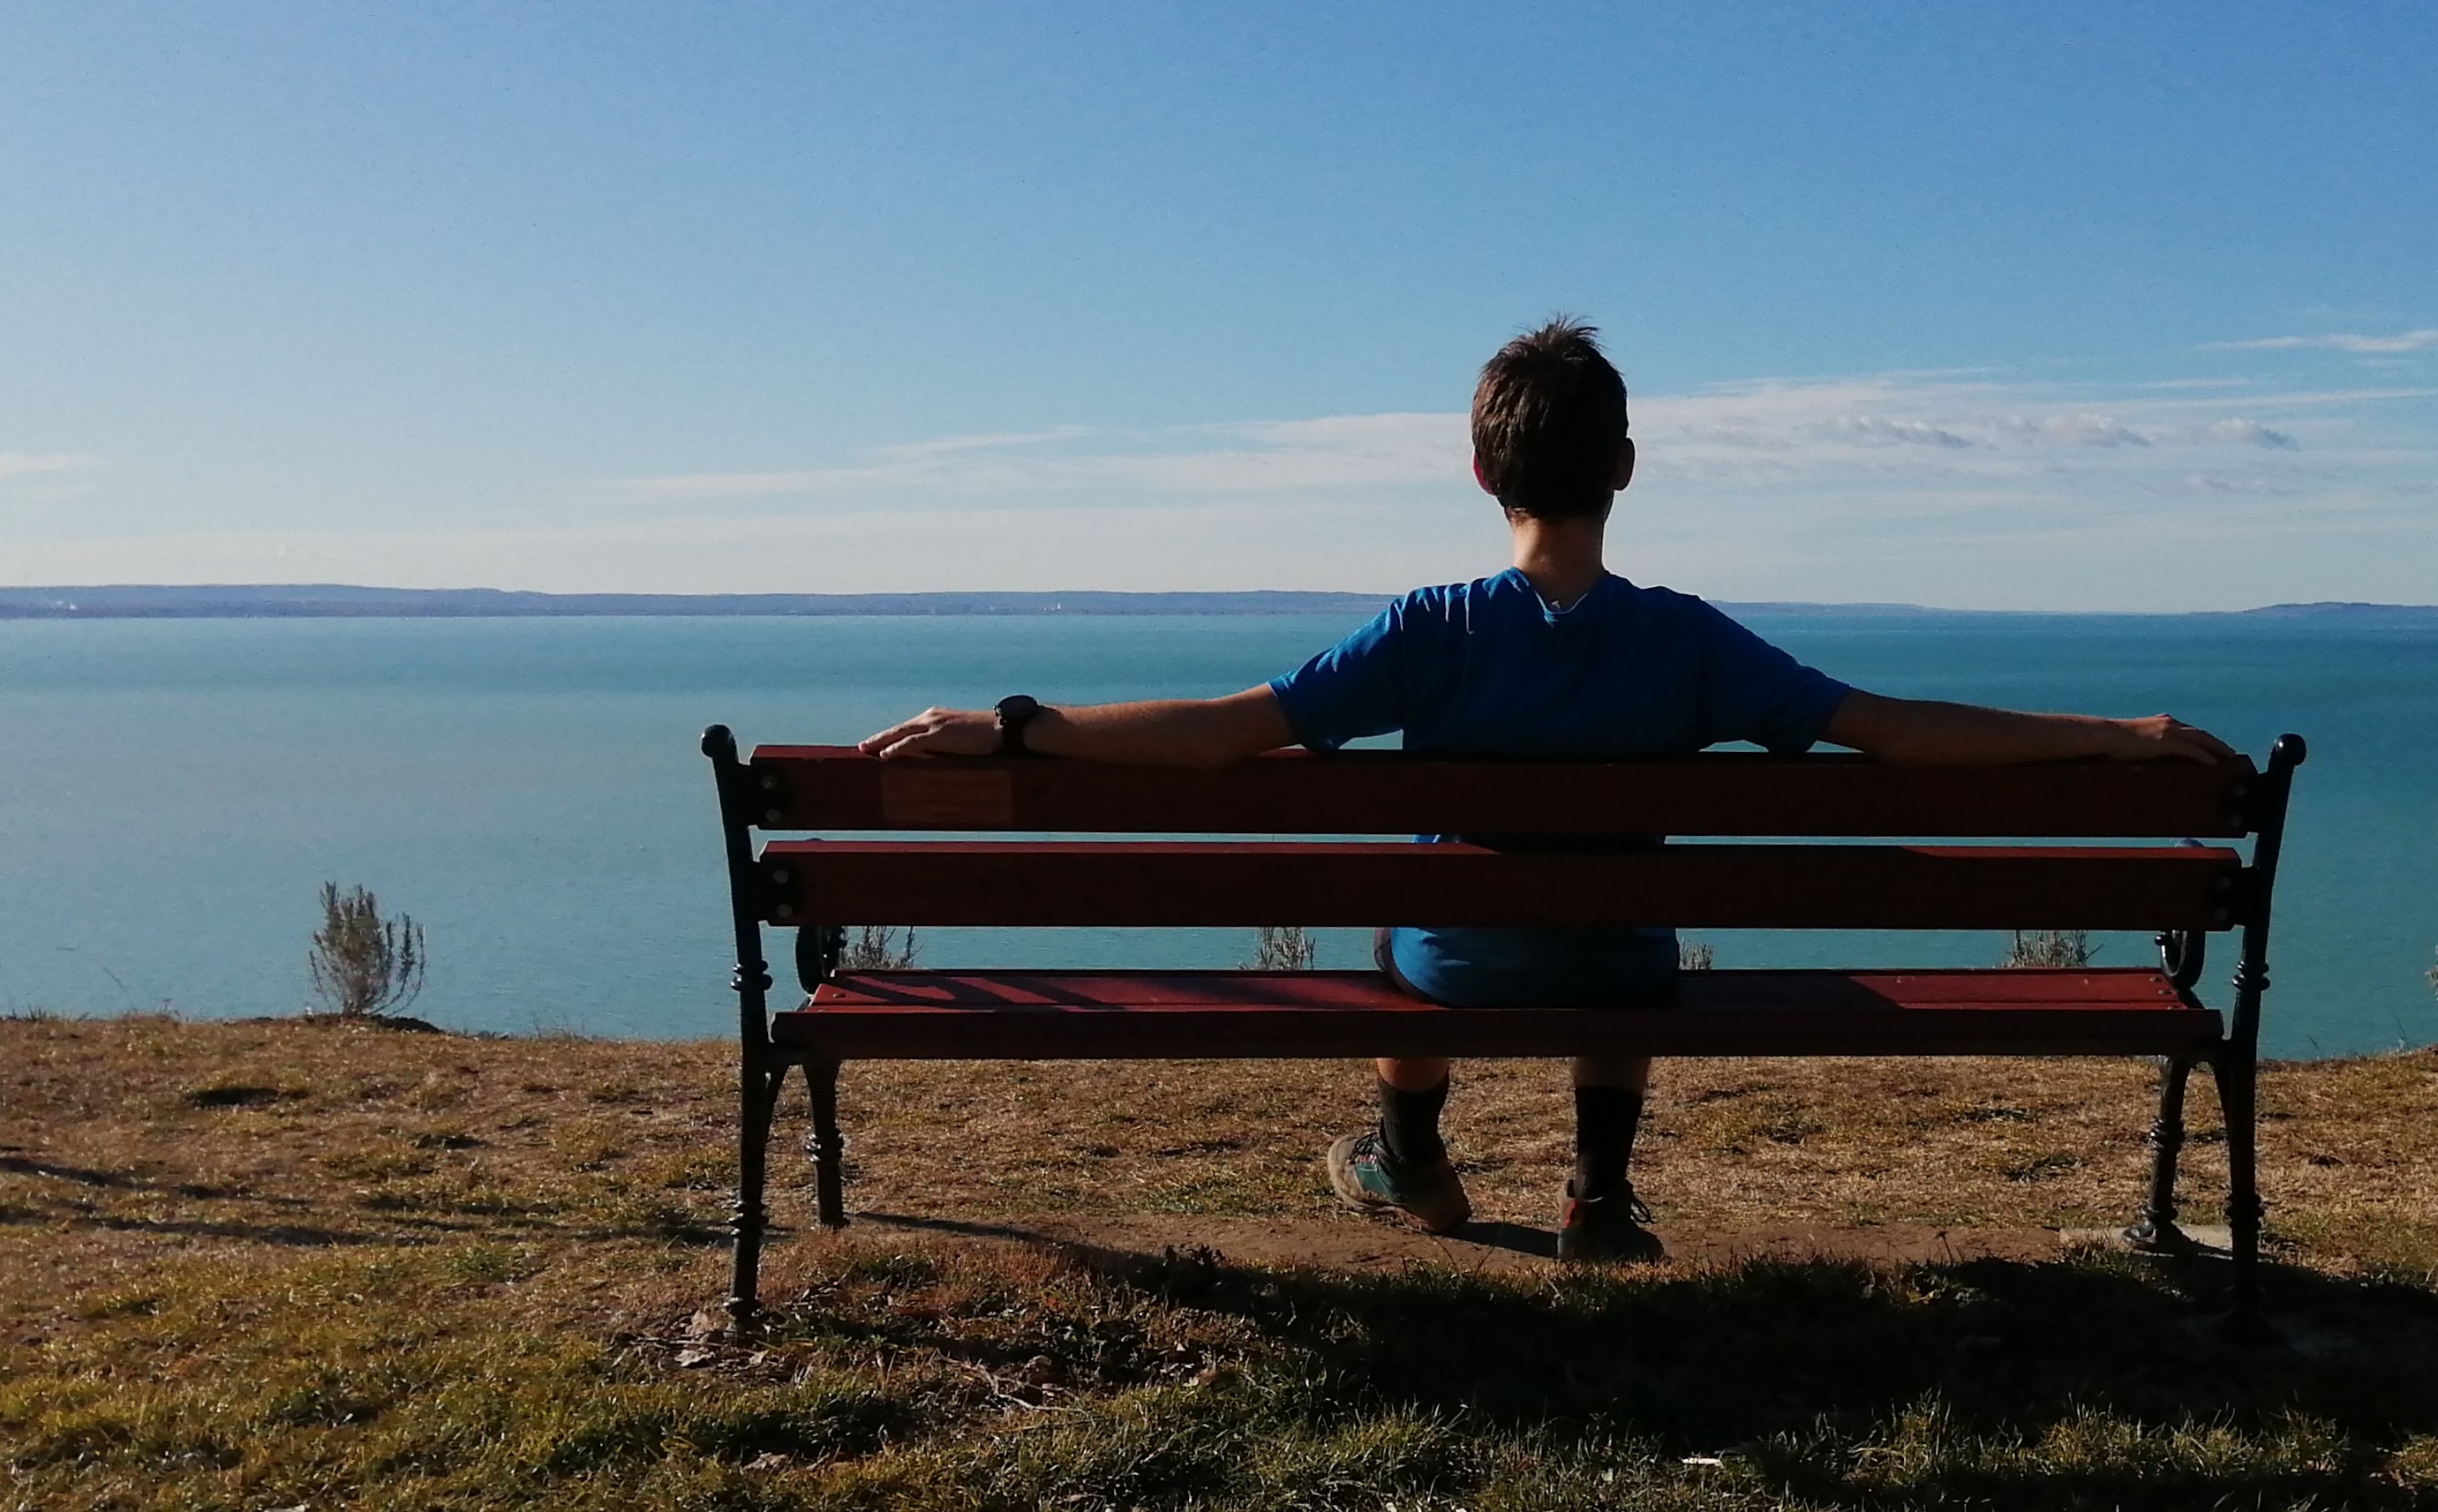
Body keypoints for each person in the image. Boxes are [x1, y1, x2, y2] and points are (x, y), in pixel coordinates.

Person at [863, 320, 2234, 1264]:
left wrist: (1023, 727)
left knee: (1407, 928)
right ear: (1622, 469)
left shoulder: (1427, 628)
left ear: (1480, 472)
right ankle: (1599, 1190)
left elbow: (1229, 734)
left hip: (1454, 964)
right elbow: (1887, 730)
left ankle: (1409, 1153)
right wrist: (2111, 735)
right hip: (1619, 961)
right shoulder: (1691, 640)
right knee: (1621, 921)